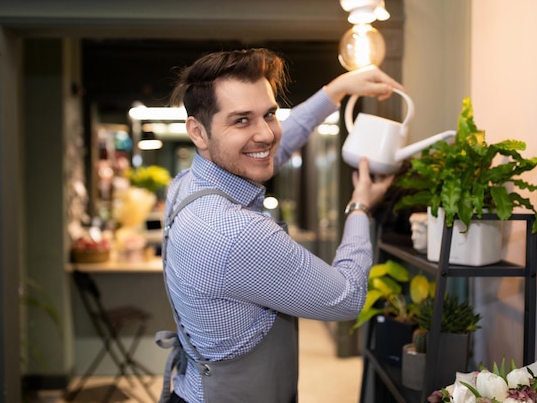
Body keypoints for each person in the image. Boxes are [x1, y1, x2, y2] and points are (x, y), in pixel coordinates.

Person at [156, 48, 404, 403]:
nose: (267, 134)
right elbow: (348, 298)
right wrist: (360, 206)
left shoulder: (185, 184)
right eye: (241, 120)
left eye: (269, 114)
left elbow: (267, 151)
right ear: (198, 132)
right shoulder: (237, 232)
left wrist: (335, 91)